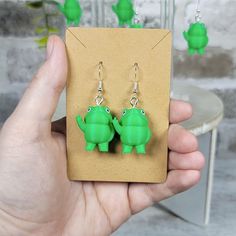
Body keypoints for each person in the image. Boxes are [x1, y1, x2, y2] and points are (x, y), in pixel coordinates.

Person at [0, 36, 204, 236]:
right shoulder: (126, 119)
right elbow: (114, 124)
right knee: (115, 141)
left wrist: (117, 126)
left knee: (111, 141)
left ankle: (103, 146)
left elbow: (107, 124)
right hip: (117, 136)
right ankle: (109, 146)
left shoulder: (122, 119)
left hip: (111, 135)